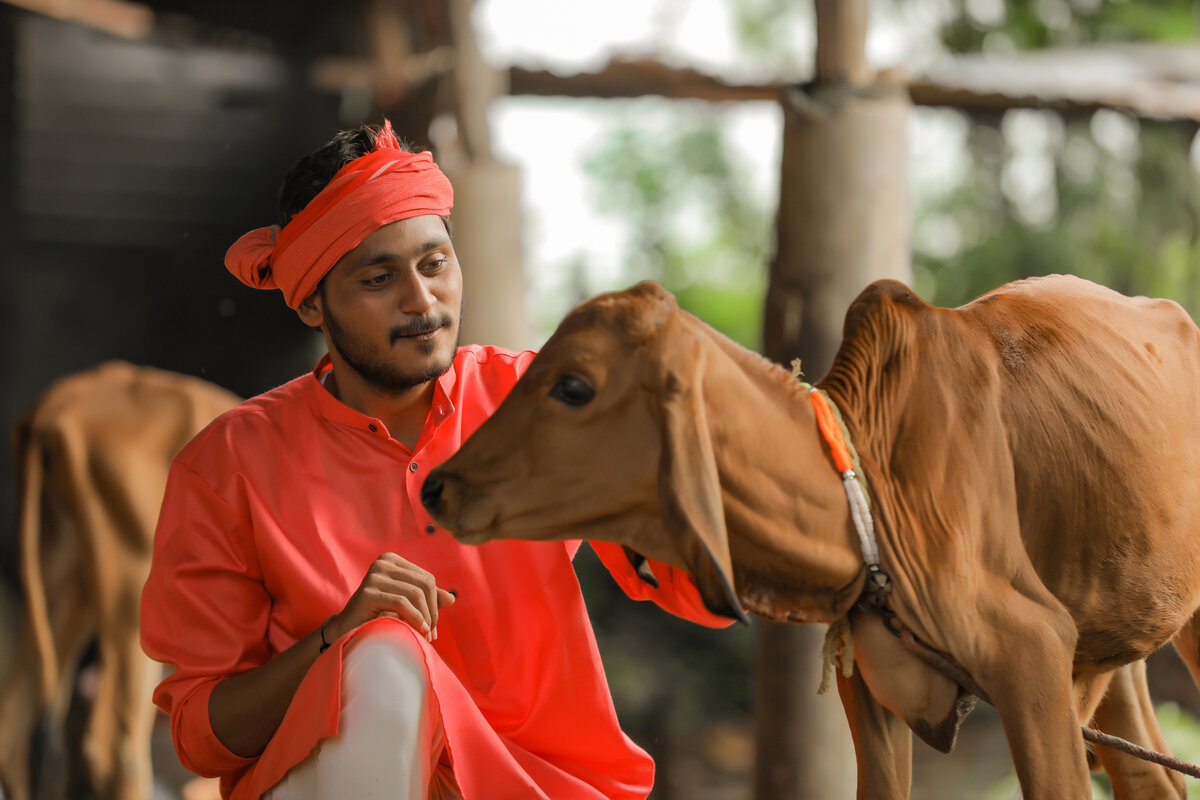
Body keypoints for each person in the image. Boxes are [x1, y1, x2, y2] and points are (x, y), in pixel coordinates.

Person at [140, 120, 733, 800]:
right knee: (385, 656)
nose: (421, 302)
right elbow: (201, 737)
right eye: (378, 278)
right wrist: (336, 639)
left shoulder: (537, 401)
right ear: (310, 303)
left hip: (541, 786)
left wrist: (689, 468)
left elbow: (699, 589)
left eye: (434, 264)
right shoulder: (226, 466)